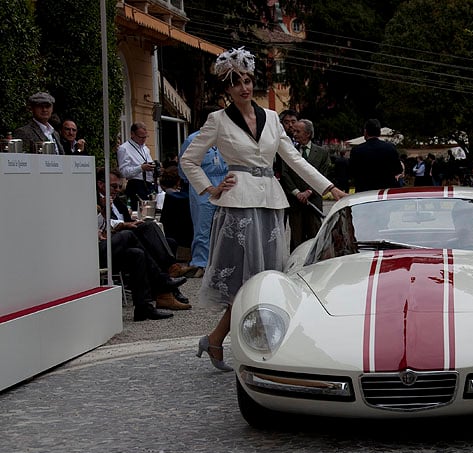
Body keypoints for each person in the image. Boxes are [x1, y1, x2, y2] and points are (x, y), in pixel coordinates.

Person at [181, 47, 347, 372]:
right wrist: (210, 188)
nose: (243, 87)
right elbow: (189, 159)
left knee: (268, 280)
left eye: (247, 80)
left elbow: (293, 159)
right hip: (237, 207)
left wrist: (329, 187)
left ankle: (224, 340)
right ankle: (236, 343)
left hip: (270, 204)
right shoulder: (217, 120)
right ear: (226, 89)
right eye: (236, 82)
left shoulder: (272, 118)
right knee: (246, 283)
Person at [97, 167, 194, 309]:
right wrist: (122, 224)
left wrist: (129, 222)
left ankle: (168, 286)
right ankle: (168, 278)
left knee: (161, 236)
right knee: (142, 232)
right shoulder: (94, 200)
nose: (117, 190)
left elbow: (125, 219)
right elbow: (99, 224)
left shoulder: (118, 202)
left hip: (124, 239)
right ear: (100, 184)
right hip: (112, 244)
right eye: (113, 186)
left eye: (119, 186)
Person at [178, 108, 228, 279]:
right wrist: (199, 183)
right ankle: (200, 262)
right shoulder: (193, 140)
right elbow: (184, 169)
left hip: (224, 185)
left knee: (224, 226)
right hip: (202, 187)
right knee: (202, 227)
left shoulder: (226, 139)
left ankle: (221, 263)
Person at [281, 118, 332, 250]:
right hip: (295, 203)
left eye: (298, 131)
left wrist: (309, 192)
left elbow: (323, 175)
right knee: (296, 239)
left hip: (313, 202)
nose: (294, 134)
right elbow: (285, 173)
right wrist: (297, 193)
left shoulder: (322, 153)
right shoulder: (289, 151)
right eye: (294, 131)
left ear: (308, 134)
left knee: (314, 238)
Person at [349, 119, 403, 192]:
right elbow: (398, 169)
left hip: (364, 191)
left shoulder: (356, 150)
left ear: (365, 132)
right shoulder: (390, 148)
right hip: (385, 191)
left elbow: (352, 172)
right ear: (379, 132)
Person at [117, 122, 158, 208]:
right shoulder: (124, 149)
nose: (144, 140)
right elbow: (123, 172)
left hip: (149, 185)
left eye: (145, 137)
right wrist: (141, 168)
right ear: (132, 134)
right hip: (136, 185)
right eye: (141, 137)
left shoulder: (145, 148)